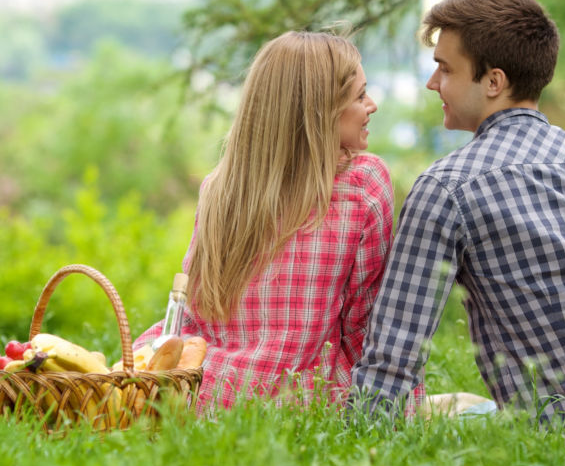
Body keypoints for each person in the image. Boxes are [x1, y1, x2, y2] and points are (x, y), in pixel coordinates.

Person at [350, 0, 565, 424]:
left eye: (445, 69)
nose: (432, 82)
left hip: (562, 431)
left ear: (494, 82)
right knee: (464, 405)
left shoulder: (446, 187)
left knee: (453, 412)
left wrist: (361, 441)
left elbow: (396, 350)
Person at [134, 30, 393, 410]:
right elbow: (363, 325)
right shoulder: (363, 184)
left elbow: (196, 316)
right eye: (359, 96)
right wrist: (394, 404)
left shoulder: (220, 189)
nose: (371, 105)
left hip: (206, 393)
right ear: (319, 110)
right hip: (302, 401)